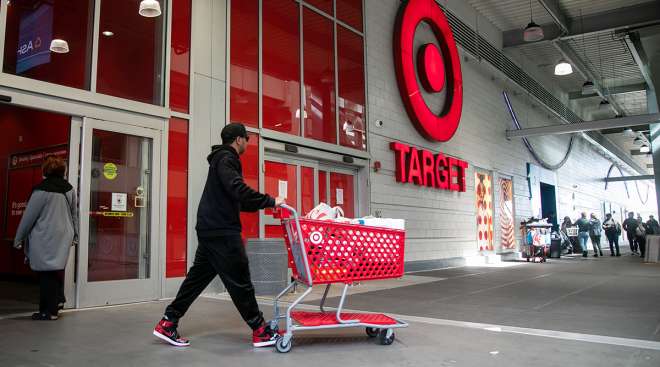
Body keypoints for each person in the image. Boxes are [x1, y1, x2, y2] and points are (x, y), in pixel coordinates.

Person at [153, 123, 285, 348]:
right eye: (247, 139)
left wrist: (263, 204)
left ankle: (168, 322)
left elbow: (238, 199)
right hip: (221, 230)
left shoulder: (220, 159)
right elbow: (237, 189)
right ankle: (260, 330)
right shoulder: (226, 158)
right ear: (238, 139)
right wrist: (271, 201)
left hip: (211, 228)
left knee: (196, 280)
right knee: (240, 279)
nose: (247, 143)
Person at [13, 156, 78, 320]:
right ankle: (57, 301)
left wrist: (18, 238)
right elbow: (74, 215)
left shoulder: (41, 190)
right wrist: (75, 234)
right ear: (62, 171)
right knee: (55, 270)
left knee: (45, 273)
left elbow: (29, 217)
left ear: (45, 171)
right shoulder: (69, 189)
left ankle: (48, 312)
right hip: (64, 235)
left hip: (44, 236)